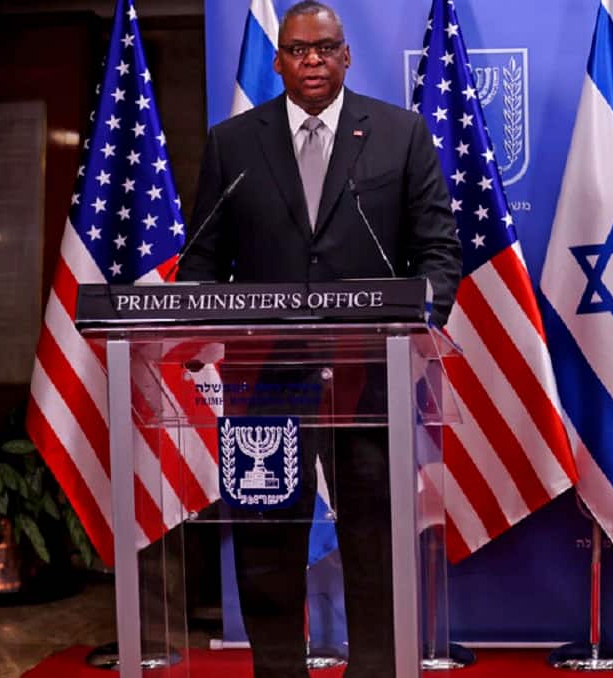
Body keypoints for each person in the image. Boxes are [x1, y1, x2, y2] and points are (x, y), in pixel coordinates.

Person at [178, 2, 460, 676]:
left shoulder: (399, 133)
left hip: (371, 377)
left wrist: (417, 321)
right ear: (278, 59)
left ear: (346, 55)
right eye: (299, 50)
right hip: (266, 382)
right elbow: (200, 262)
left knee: (374, 542)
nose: (312, 61)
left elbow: (439, 252)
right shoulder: (233, 143)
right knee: (267, 545)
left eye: (325, 48)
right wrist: (202, 324)